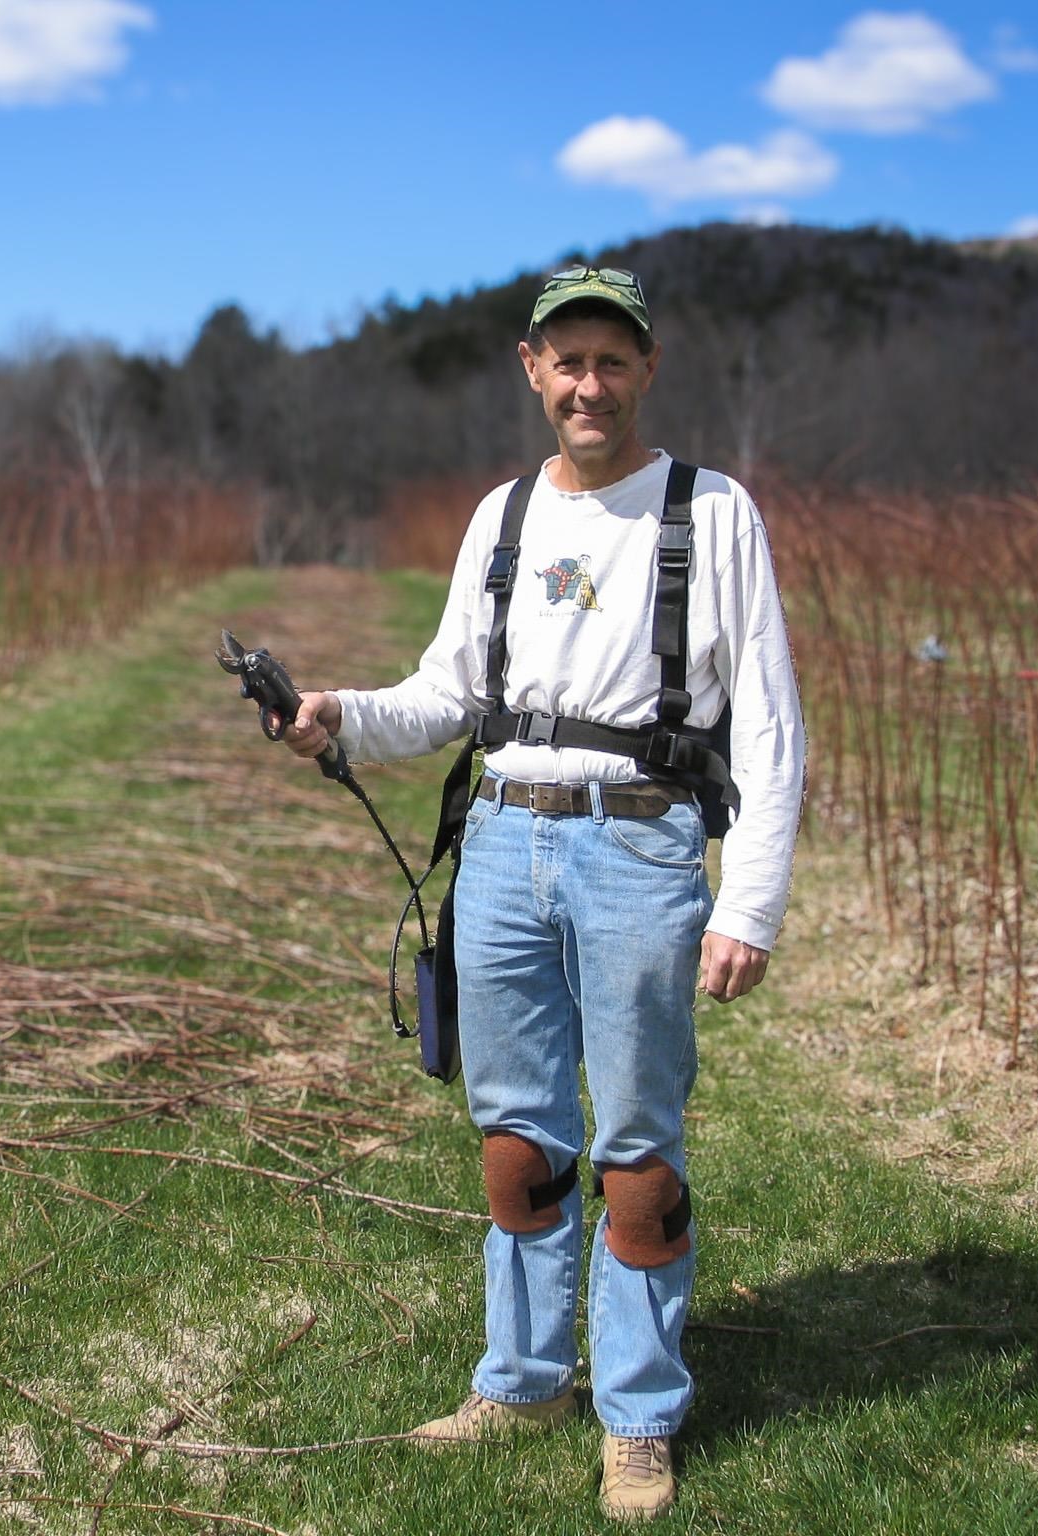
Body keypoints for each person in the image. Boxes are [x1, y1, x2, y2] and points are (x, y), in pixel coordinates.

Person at [279, 266, 805, 1521]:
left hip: (639, 848)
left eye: (611, 361)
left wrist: (749, 903)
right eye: (567, 361)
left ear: (647, 369)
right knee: (515, 1140)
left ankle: (638, 1416)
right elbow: (448, 693)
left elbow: (769, 722)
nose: (588, 385)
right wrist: (341, 714)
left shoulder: (710, 511)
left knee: (636, 1152)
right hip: (502, 846)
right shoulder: (501, 516)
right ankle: (519, 1384)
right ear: (532, 370)